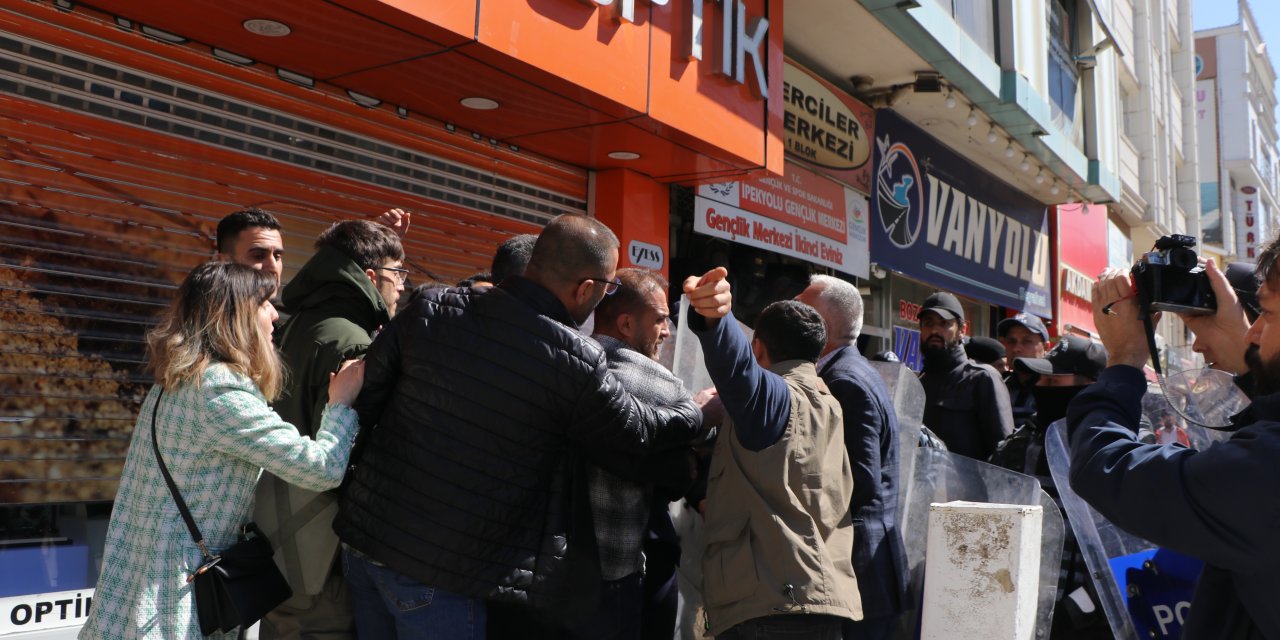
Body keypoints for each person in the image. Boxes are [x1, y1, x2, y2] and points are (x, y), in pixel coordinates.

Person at [333, 214, 704, 640]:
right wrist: (693, 412)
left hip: (365, 546)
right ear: (587, 289)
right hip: (444, 576)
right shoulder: (573, 360)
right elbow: (639, 431)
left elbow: (364, 402)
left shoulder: (430, 306)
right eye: (607, 287)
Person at [79, 262, 364, 640]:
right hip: (174, 597)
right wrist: (340, 404)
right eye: (265, 303)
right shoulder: (220, 391)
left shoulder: (173, 382)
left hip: (136, 582)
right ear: (236, 315)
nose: (275, 315)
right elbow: (322, 468)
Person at [1066, 236, 1280, 638]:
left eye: (1265, 313)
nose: (1252, 335)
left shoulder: (1267, 470)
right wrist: (1250, 365)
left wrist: (1125, 359)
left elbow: (1107, 468)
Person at [687, 269, 861, 639]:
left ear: (759, 348)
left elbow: (737, 369)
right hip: (815, 602)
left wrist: (716, 320)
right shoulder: (827, 403)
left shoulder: (776, 399)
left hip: (773, 608)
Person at [255, 220, 405, 640]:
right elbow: (355, 454)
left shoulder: (293, 325)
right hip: (326, 553)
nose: (403, 288)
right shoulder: (354, 344)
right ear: (371, 278)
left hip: (278, 535)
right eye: (399, 275)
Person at [576, 267, 694, 640]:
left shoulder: (572, 359)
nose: (667, 330)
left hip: (558, 570)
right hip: (617, 572)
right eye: (660, 320)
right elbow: (703, 426)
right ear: (626, 324)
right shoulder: (651, 378)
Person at [796, 275, 907, 640]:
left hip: (860, 571)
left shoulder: (844, 381)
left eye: (801, 310)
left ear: (821, 326)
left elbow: (861, 480)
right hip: (863, 572)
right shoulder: (848, 370)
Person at [989, 335, 1111, 638]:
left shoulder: (1114, 452)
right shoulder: (1020, 442)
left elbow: (1125, 551)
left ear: (1090, 387)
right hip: (1017, 607)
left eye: (1054, 384)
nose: (1041, 390)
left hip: (1086, 623)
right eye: (1040, 380)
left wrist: (1073, 612)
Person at [214, 207, 412, 295]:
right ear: (224, 261)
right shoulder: (207, 330)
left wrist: (375, 246)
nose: (272, 267)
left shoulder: (276, 327)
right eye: (258, 255)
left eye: (278, 256)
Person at [917, 291, 1013, 460]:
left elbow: (1004, 454)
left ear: (962, 330)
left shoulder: (983, 378)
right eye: (928, 323)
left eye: (944, 323)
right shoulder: (918, 383)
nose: (934, 330)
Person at [998, 312, 1051, 428]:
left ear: (1046, 348)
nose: (1016, 348)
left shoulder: (1056, 388)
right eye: (1011, 342)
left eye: (1026, 341)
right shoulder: (998, 387)